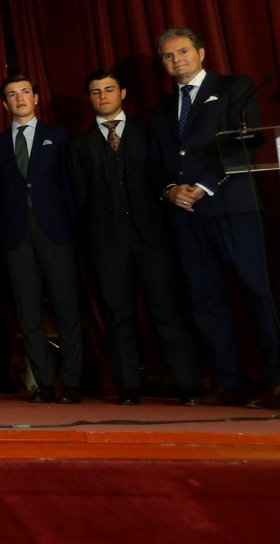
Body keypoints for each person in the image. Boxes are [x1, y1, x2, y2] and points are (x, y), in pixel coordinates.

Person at [147, 28, 280, 410]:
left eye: (182, 51)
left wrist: (204, 184)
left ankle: (278, 380)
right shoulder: (161, 110)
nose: (176, 59)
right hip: (187, 216)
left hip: (232, 206)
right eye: (168, 55)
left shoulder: (234, 88)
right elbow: (155, 162)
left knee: (258, 292)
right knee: (205, 299)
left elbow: (244, 140)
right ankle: (226, 381)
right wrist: (169, 190)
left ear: (201, 53)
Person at [69, 69, 201, 405]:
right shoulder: (79, 143)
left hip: (152, 237)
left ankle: (186, 384)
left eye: (109, 89)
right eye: (96, 91)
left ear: (123, 92)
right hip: (105, 242)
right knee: (117, 315)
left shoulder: (148, 130)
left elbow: (163, 176)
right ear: (89, 98)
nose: (103, 96)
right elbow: (79, 198)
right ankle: (128, 385)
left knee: (166, 310)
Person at [0, 75, 84, 404]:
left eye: (25, 92)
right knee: (27, 314)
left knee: (67, 309)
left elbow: (71, 187)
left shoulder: (60, 137)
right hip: (16, 236)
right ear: (5, 104)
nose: (19, 98)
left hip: (55, 233)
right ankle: (43, 383)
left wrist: (69, 227)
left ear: (36, 98)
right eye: (12, 95)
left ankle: (70, 383)